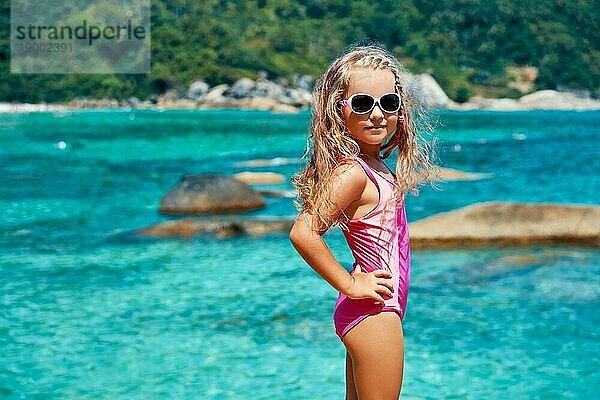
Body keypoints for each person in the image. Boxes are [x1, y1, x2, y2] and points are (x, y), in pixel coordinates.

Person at [289, 43, 441, 399]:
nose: (377, 114)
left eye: (388, 103)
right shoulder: (354, 173)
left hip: (374, 308)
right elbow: (303, 232)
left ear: (401, 110)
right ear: (338, 110)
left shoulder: (374, 166)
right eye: (362, 103)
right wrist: (350, 285)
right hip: (375, 310)